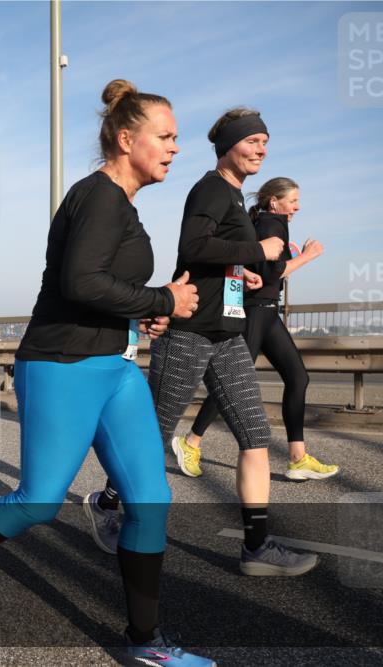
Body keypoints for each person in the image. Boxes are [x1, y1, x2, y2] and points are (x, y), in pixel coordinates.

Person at [0, 80, 215, 666]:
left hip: (115, 367)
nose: (174, 148)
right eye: (165, 137)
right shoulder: (98, 196)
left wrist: (144, 316)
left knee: (150, 499)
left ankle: (145, 645)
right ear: (125, 137)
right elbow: (79, 283)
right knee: (38, 502)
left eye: (176, 139)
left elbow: (109, 290)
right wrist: (161, 300)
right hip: (61, 365)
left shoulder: (126, 207)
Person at [86, 109, 319, 577]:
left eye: (265, 142)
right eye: (252, 140)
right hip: (188, 331)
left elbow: (220, 255)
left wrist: (244, 272)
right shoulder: (210, 189)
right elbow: (194, 247)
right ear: (229, 146)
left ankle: (256, 547)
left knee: (255, 436)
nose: (261, 149)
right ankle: (107, 502)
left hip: (228, 334)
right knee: (151, 435)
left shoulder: (234, 198)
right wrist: (258, 250)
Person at [180, 178, 335, 481]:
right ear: (274, 201)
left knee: (298, 377)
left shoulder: (274, 223)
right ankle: (190, 442)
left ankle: (298, 457)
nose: (297, 207)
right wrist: (308, 256)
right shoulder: (269, 225)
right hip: (254, 313)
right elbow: (269, 276)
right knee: (230, 384)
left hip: (267, 313)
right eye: (293, 200)